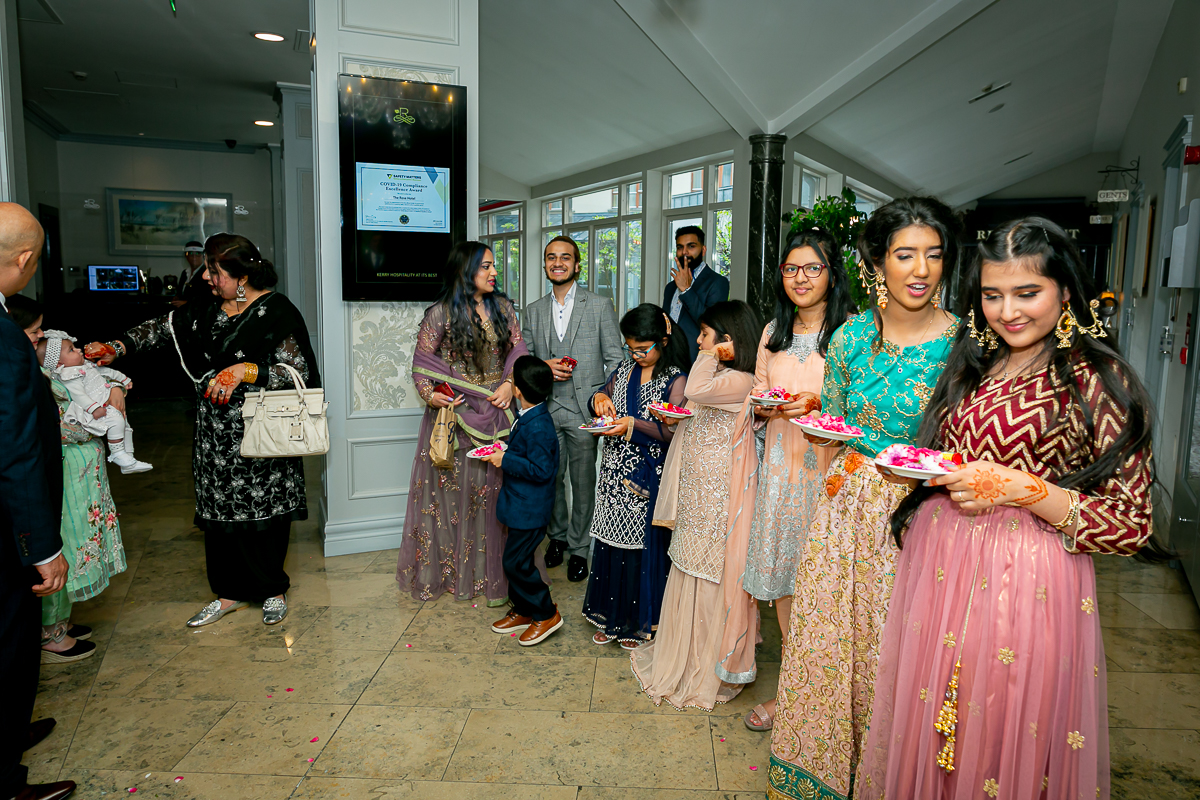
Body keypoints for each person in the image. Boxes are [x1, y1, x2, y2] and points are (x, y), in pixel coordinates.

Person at [857, 218, 1163, 800]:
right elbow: (960, 455)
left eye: (1027, 293)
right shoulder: (976, 361)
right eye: (992, 296)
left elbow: (1131, 523)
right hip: (943, 563)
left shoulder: (1096, 378)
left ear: (1065, 290)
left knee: (996, 724)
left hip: (1026, 578)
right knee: (937, 717)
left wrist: (1022, 489)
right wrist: (924, 470)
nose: (1008, 312)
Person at [768, 197, 962, 800]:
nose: (921, 270)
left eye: (934, 255)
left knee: (898, 649)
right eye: (905, 255)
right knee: (831, 644)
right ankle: (826, 772)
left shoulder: (965, 344)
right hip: (845, 507)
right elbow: (836, 420)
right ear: (877, 263)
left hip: (922, 516)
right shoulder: (850, 337)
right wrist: (822, 437)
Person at [85, 233, 318, 629]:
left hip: (262, 430)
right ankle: (227, 593)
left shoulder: (276, 312)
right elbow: (160, 328)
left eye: (215, 270)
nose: (207, 277)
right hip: (213, 436)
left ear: (242, 276)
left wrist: (247, 370)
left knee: (266, 515)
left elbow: (298, 373)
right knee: (218, 513)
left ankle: (272, 589)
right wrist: (117, 347)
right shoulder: (204, 309)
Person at [734, 227, 855, 732]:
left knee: (827, 585)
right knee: (786, 583)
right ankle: (793, 692)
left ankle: (834, 695)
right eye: (790, 269)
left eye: (812, 268)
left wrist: (819, 404)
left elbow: (864, 409)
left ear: (832, 274)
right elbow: (760, 394)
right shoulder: (772, 333)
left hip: (832, 476)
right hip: (782, 473)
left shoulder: (853, 333)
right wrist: (765, 407)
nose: (800, 278)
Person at [630, 299, 760, 709]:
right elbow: (694, 406)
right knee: (688, 564)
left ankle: (706, 663)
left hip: (718, 492)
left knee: (709, 572)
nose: (698, 342)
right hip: (697, 487)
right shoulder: (719, 374)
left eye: (705, 335)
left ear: (728, 341)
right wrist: (674, 419)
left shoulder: (740, 378)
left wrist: (710, 354)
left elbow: (695, 390)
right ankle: (682, 653)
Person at [396, 241, 528, 605]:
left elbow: (518, 350)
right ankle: (457, 575)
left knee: (495, 494)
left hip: (498, 410)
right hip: (458, 415)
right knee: (457, 496)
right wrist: (430, 395)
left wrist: (509, 383)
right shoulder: (440, 313)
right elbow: (421, 364)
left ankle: (494, 575)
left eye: (493, 266)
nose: (494, 272)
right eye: (486, 266)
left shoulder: (503, 308)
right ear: (464, 270)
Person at [0, 202, 75, 800]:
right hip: (7, 523)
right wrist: (42, 546)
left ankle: (11, 731)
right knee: (8, 644)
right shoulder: (3, 335)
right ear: (25, 259)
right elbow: (14, 446)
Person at [9, 298, 127, 666]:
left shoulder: (58, 372)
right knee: (65, 544)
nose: (42, 335)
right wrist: (101, 420)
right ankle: (51, 633)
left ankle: (61, 621)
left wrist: (115, 390)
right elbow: (63, 427)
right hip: (66, 473)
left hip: (81, 472)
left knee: (76, 541)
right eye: (35, 331)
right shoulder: (38, 378)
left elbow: (103, 378)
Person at [581, 304, 690, 650]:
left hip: (646, 478)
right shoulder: (625, 368)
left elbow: (672, 432)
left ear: (663, 340)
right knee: (611, 546)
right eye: (630, 348)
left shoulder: (675, 378)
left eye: (642, 349)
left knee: (640, 552)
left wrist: (631, 425)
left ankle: (637, 623)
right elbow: (601, 395)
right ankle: (609, 617)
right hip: (613, 473)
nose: (635, 355)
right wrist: (599, 398)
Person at [520, 236, 623, 582]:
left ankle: (579, 547)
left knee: (582, 482)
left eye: (565, 257)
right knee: (550, 479)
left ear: (577, 265)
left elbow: (615, 360)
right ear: (545, 265)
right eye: (551, 257)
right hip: (546, 409)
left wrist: (603, 398)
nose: (558, 263)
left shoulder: (599, 305)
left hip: (584, 411)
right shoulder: (533, 310)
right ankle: (558, 537)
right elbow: (525, 362)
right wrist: (543, 367)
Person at [485, 355, 564, 646]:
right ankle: (523, 609)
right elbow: (528, 453)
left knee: (515, 563)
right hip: (520, 506)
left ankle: (546, 612)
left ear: (517, 389)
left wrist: (505, 460)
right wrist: (507, 449)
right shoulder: (530, 414)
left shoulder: (539, 425)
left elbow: (542, 470)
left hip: (530, 509)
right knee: (516, 560)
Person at [36, 332, 152, 474]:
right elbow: (79, 396)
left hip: (105, 400)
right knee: (117, 422)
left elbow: (105, 371)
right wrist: (94, 408)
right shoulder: (69, 376)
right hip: (97, 408)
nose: (78, 350)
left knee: (124, 425)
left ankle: (128, 458)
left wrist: (123, 379)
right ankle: (117, 453)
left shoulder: (84, 365)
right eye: (71, 350)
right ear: (59, 363)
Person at [663, 226, 730, 363]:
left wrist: (686, 290)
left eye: (691, 246)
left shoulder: (717, 282)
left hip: (695, 359)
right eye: (680, 247)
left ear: (703, 250)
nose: (684, 252)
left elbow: (712, 324)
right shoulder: (670, 287)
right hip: (667, 359)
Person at [172, 240, 210, 307]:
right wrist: (178, 297)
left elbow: (208, 298)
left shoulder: (206, 274)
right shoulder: (185, 273)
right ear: (186, 256)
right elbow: (181, 292)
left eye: (198, 253)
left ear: (203, 255)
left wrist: (187, 303)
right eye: (190, 253)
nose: (194, 257)